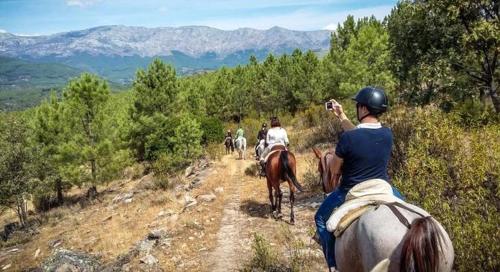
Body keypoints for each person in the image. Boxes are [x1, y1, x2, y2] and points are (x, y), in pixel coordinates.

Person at [314, 87, 404, 271]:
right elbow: (363, 136)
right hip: (383, 188)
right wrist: (342, 116)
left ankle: (333, 265)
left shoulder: (348, 138)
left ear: (363, 109)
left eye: (358, 105)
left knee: (321, 219)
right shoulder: (387, 134)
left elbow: (334, 169)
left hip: (352, 190)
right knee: (404, 211)